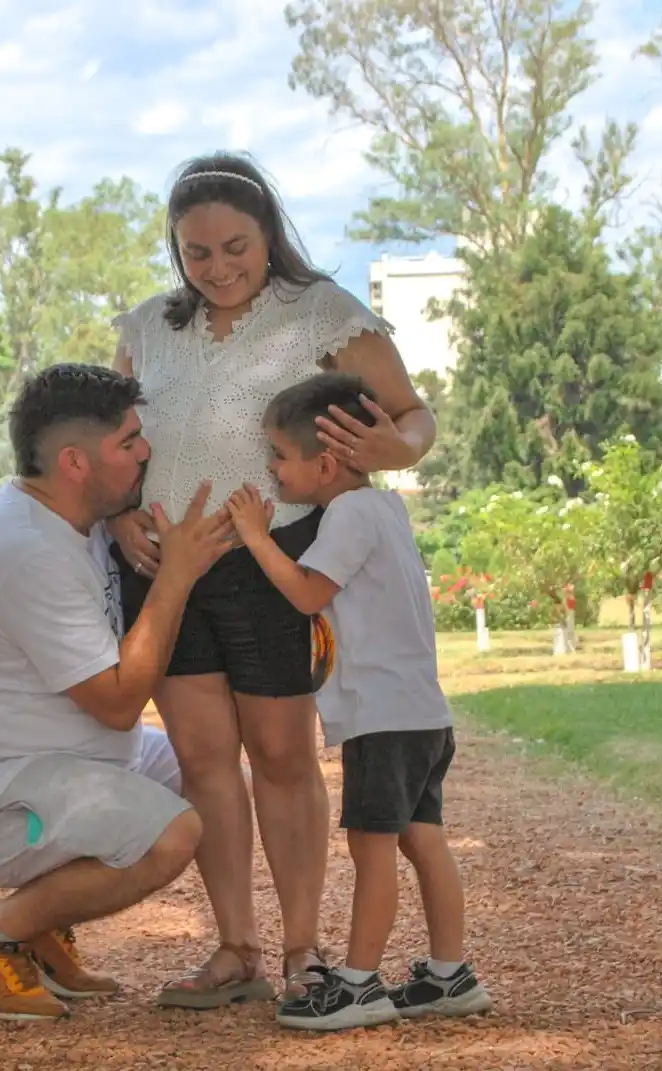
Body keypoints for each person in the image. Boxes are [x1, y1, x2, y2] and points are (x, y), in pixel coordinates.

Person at [108, 152, 438, 1007]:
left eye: (235, 246)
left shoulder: (322, 312)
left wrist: (393, 449)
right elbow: (112, 441)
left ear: (268, 236)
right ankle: (235, 950)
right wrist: (116, 514)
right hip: (166, 575)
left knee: (285, 756)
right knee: (205, 759)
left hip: (277, 564)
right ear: (176, 251)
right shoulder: (146, 326)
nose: (217, 267)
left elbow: (414, 414)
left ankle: (304, 952)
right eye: (197, 252)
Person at [0, 363, 235, 1023]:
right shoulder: (26, 551)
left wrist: (127, 514)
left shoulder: (69, 508)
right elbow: (115, 701)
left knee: (208, 767)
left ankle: (47, 932)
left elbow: (111, 520)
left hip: (49, 763)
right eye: (129, 442)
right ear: (76, 462)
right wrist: (178, 574)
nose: (145, 452)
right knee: (172, 834)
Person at [223, 371, 491, 1031]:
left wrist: (256, 536)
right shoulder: (387, 509)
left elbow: (309, 593)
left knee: (373, 848)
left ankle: (357, 983)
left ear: (324, 462)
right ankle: (448, 973)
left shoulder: (347, 514)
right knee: (423, 839)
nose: (272, 470)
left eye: (279, 457)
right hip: (423, 712)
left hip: (383, 717)